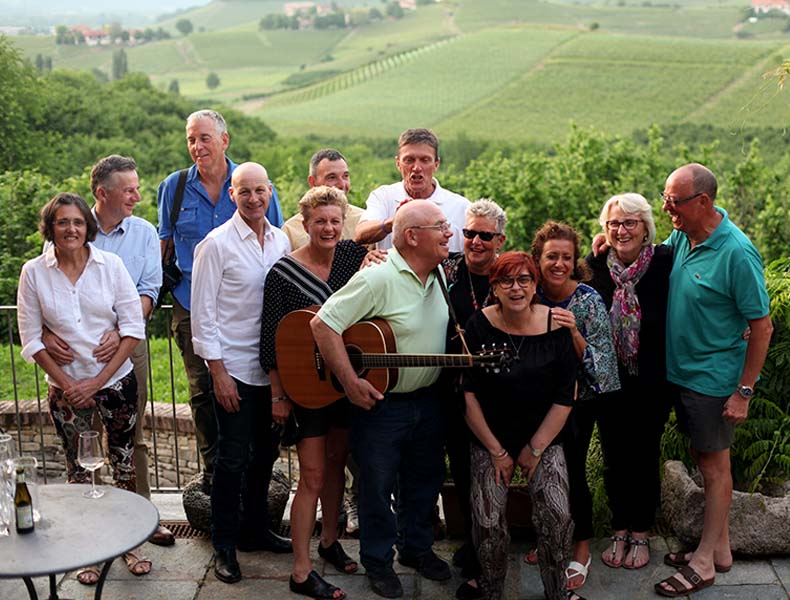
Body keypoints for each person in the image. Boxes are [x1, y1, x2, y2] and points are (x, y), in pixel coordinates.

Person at [311, 200, 453, 599]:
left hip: (427, 400)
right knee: (376, 487)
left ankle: (416, 549)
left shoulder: (439, 273)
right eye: (440, 226)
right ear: (412, 236)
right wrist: (350, 382)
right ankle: (377, 561)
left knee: (423, 482)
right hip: (382, 405)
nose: (449, 233)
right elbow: (322, 324)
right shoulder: (377, 278)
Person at [654, 164, 772, 597]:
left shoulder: (737, 253)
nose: (666, 207)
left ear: (702, 201)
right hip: (684, 372)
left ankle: (704, 563)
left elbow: (762, 327)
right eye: (665, 197)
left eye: (674, 200)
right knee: (702, 457)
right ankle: (720, 550)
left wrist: (743, 392)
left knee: (714, 466)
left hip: (713, 377)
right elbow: (655, 259)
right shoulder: (685, 235)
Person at [17, 193, 145, 584]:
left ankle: (130, 544)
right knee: (79, 472)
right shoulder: (34, 272)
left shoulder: (112, 266)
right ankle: (88, 551)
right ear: (50, 228)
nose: (71, 229)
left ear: (86, 227)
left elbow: (133, 329)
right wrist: (72, 385)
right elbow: (31, 339)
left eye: (77, 222)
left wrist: (96, 381)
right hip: (66, 391)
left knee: (123, 466)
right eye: (62, 222)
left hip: (116, 383)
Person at [157, 109, 283, 488]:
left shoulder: (251, 182)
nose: (197, 146)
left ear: (225, 140)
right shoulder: (174, 187)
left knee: (253, 391)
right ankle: (214, 471)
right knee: (203, 392)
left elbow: (273, 242)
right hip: (191, 305)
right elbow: (164, 247)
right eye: (191, 139)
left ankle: (251, 472)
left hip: (247, 311)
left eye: (205, 138)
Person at [261, 185, 369, 600]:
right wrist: (278, 395)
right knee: (312, 476)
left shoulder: (350, 258)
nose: (327, 228)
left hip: (343, 384)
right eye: (319, 221)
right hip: (305, 389)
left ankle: (328, 542)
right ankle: (301, 571)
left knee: (337, 464)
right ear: (304, 225)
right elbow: (270, 340)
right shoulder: (283, 273)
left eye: (334, 221)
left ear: (344, 225)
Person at [190, 162, 293, 585]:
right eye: (244, 192)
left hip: (270, 372)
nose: (253, 198)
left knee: (265, 457)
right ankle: (225, 545)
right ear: (232, 196)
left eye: (259, 191)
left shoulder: (281, 240)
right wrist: (218, 373)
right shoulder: (215, 245)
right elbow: (203, 315)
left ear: (270, 192)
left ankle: (255, 530)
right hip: (232, 371)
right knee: (231, 461)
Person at [462, 251, 579, 600]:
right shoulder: (477, 325)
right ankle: (491, 588)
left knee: (557, 515)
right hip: (490, 437)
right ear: (494, 288)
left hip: (544, 436)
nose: (516, 288)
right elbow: (467, 395)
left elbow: (566, 394)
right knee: (486, 520)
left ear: (535, 285)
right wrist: (497, 452)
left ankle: (557, 591)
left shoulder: (555, 325)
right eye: (506, 281)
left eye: (524, 280)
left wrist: (535, 448)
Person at [530, 221, 620, 594]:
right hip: (533, 401)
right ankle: (551, 538)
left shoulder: (587, 300)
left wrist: (572, 332)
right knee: (538, 473)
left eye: (566, 257)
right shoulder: (526, 293)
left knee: (572, 473)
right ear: (538, 258)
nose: (559, 264)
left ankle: (580, 547)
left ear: (575, 261)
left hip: (576, 405)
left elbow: (604, 365)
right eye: (551, 256)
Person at [586, 193, 674, 569]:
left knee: (644, 454)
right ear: (604, 230)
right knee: (614, 456)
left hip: (653, 379)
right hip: (609, 380)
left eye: (629, 223)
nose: (621, 230)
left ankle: (641, 532)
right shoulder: (595, 266)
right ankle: (619, 528)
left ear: (646, 228)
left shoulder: (666, 263)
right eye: (614, 224)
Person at [441, 199, 507, 600]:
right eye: (469, 233)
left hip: (495, 392)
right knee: (462, 469)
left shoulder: (510, 274)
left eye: (485, 235)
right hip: (449, 389)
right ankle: (472, 540)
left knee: (489, 470)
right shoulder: (445, 270)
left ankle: (490, 551)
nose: (476, 241)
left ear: (500, 239)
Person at [354, 128, 469, 252]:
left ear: (436, 164)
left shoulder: (462, 208)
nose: (417, 168)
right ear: (398, 163)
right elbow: (360, 235)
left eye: (425, 160)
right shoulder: (383, 197)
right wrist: (395, 222)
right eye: (409, 160)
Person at [281, 149, 366, 250]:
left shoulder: (364, 220)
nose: (342, 184)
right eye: (332, 177)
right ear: (312, 182)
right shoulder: (291, 230)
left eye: (345, 176)